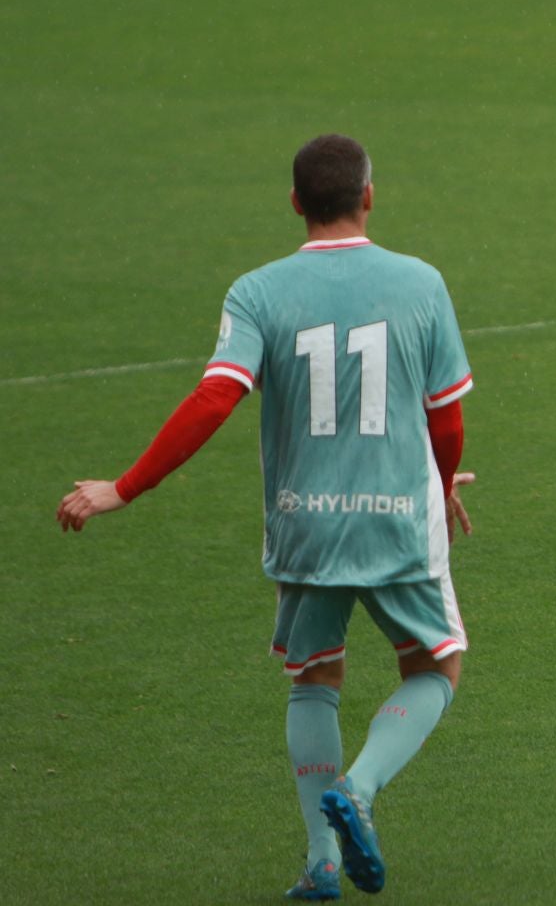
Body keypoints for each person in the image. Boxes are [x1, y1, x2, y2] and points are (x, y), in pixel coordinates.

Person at [55, 134, 477, 899]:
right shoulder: (420, 283)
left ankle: (320, 862)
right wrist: (441, 486)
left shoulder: (256, 291)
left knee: (314, 677)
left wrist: (127, 485)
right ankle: (362, 786)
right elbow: (444, 419)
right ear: (369, 196)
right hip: (396, 520)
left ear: (294, 204)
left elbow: (217, 395)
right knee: (436, 663)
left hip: (304, 525)